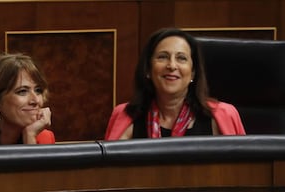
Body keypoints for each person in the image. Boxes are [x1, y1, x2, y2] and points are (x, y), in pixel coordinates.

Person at [105, 28, 245, 140]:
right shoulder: (125, 116)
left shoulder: (222, 116)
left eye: (181, 58)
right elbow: (109, 172)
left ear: (193, 73)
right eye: (163, 57)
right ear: (148, 69)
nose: (172, 65)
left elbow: (243, 171)